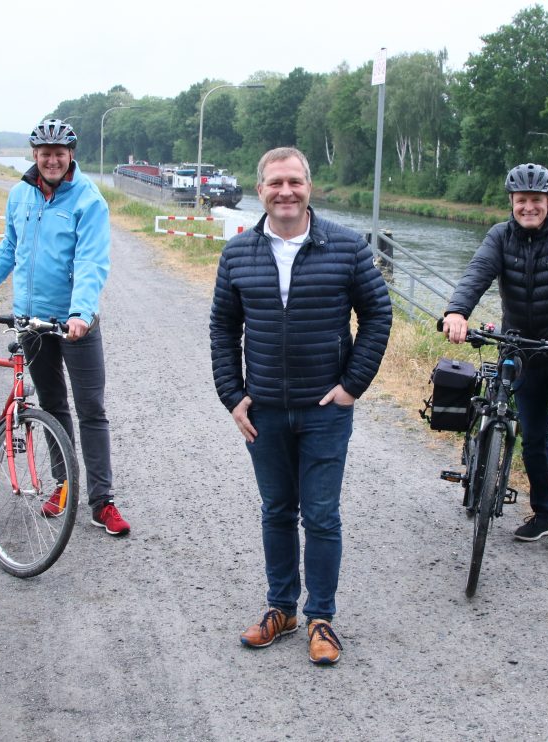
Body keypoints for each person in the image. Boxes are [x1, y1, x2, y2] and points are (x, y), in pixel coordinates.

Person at [209, 146, 392, 665]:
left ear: (309, 186)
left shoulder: (347, 247)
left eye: (294, 182)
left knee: (321, 515)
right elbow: (223, 327)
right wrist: (233, 394)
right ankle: (281, 609)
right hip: (264, 409)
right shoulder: (238, 254)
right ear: (260, 189)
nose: (284, 192)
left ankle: (321, 618)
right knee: (276, 511)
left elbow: (377, 315)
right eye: (274, 183)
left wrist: (352, 385)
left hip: (324, 409)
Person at [0, 118, 128, 535]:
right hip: (31, 322)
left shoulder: (88, 200)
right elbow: (10, 247)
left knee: (91, 410)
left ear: (70, 157)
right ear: (35, 156)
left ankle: (102, 502)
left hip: (73, 322)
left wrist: (81, 313)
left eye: (59, 154)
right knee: (52, 405)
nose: (52, 160)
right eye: (44, 153)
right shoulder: (21, 195)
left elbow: (91, 261)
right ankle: (63, 487)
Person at [443, 163, 548, 562]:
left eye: (536, 200)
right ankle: (544, 513)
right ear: (511, 202)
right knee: (531, 437)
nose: (528, 207)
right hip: (520, 349)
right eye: (521, 201)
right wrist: (457, 312)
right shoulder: (500, 236)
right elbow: (477, 273)